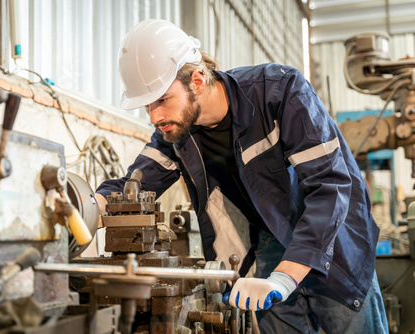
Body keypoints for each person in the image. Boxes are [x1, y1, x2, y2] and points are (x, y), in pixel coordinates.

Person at [94, 19, 388, 333]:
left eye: (163, 100)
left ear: (196, 81)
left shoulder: (279, 93)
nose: (155, 117)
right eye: (147, 105)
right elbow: (132, 187)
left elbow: (331, 186)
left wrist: (285, 275)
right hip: (267, 253)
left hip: (333, 245)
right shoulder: (177, 134)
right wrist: (87, 207)